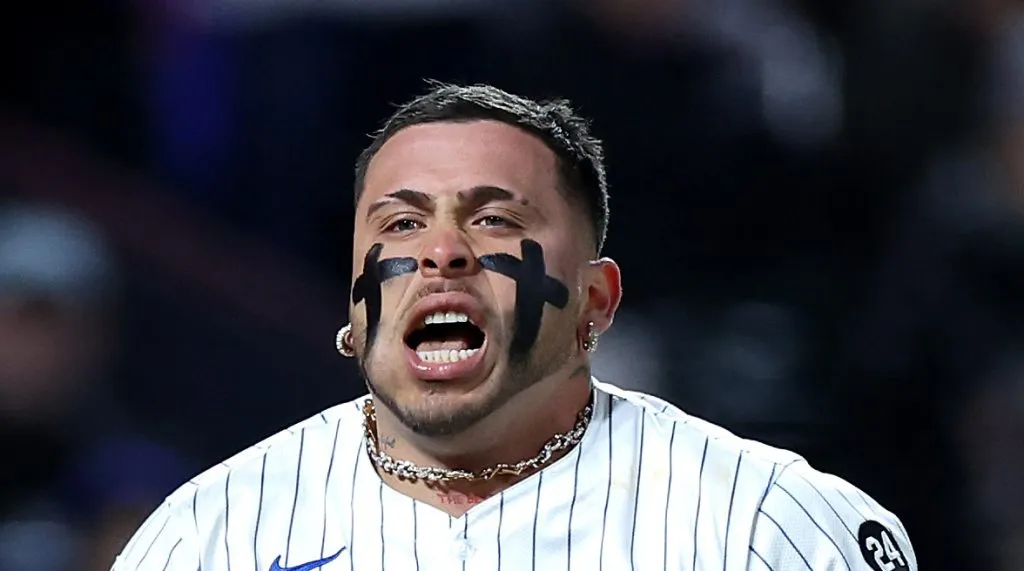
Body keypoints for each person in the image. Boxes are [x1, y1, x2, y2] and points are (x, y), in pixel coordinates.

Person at [113, 83, 916, 570]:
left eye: (494, 219)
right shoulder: (209, 533)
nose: (439, 254)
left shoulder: (767, 524)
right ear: (355, 307)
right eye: (398, 224)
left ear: (596, 301)